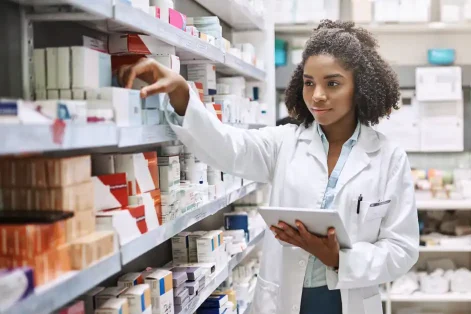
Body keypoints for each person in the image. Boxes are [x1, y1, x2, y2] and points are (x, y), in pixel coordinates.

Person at [117, 19, 419, 314]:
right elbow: (229, 148)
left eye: (333, 83)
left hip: (349, 300)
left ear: (360, 88)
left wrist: (340, 258)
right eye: (309, 83)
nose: (317, 96)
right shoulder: (284, 141)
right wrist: (182, 94)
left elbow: (402, 249)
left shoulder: (388, 158)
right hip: (287, 298)